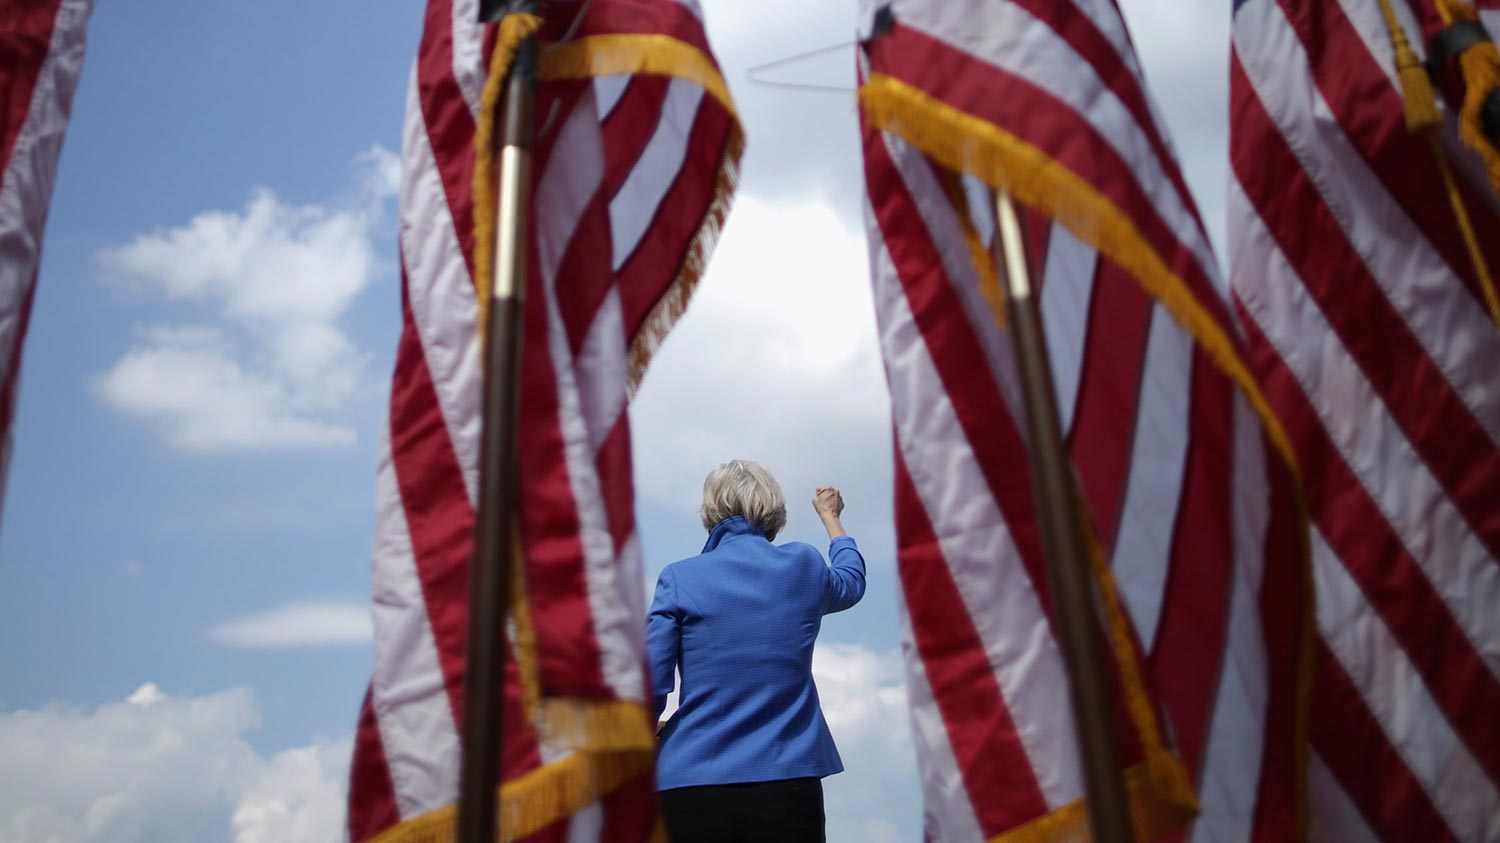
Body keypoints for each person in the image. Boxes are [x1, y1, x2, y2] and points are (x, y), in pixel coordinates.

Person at [646, 459, 867, 843]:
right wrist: (830, 517)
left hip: (689, 781)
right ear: (773, 509)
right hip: (786, 783)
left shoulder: (678, 577)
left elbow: (651, 680)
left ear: (710, 512)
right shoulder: (803, 564)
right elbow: (851, 581)